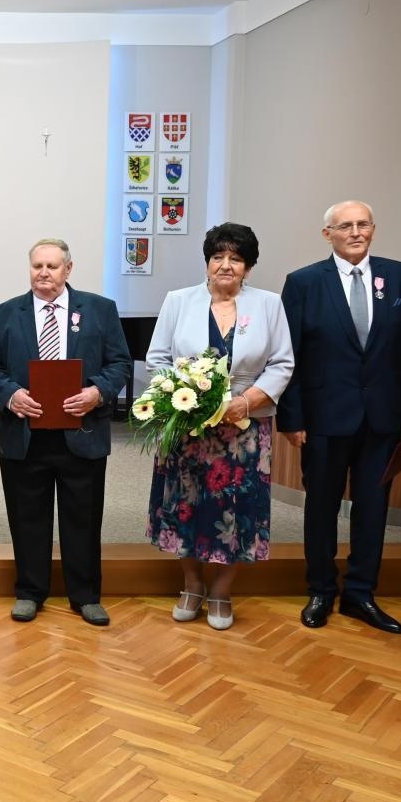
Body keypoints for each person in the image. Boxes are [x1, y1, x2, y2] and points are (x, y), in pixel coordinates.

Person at [279, 201, 401, 634]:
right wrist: (292, 418)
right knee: (321, 507)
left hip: (383, 419)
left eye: (363, 224)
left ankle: (361, 592)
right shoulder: (304, 282)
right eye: (345, 226)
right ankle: (322, 590)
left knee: (373, 507)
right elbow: (290, 357)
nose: (356, 232)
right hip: (325, 419)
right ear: (328, 234)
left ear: (374, 230)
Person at [146, 223, 294, 630]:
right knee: (186, 506)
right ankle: (192, 585)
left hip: (244, 430)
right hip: (188, 425)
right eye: (218, 257)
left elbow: (283, 363)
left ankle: (222, 592)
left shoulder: (268, 304)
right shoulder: (179, 301)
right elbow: (157, 358)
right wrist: (182, 394)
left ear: (248, 267)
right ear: (208, 262)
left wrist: (247, 400)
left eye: (236, 258)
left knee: (238, 511)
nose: (226, 265)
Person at [0, 239, 132, 625]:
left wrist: (97, 392)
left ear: (69, 269)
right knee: (27, 516)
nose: (44, 273)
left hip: (81, 432)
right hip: (24, 434)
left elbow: (120, 364)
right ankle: (30, 592)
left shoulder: (100, 310)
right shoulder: (3, 315)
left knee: (82, 517)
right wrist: (11, 395)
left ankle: (85, 595)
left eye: (52, 266)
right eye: (37, 266)